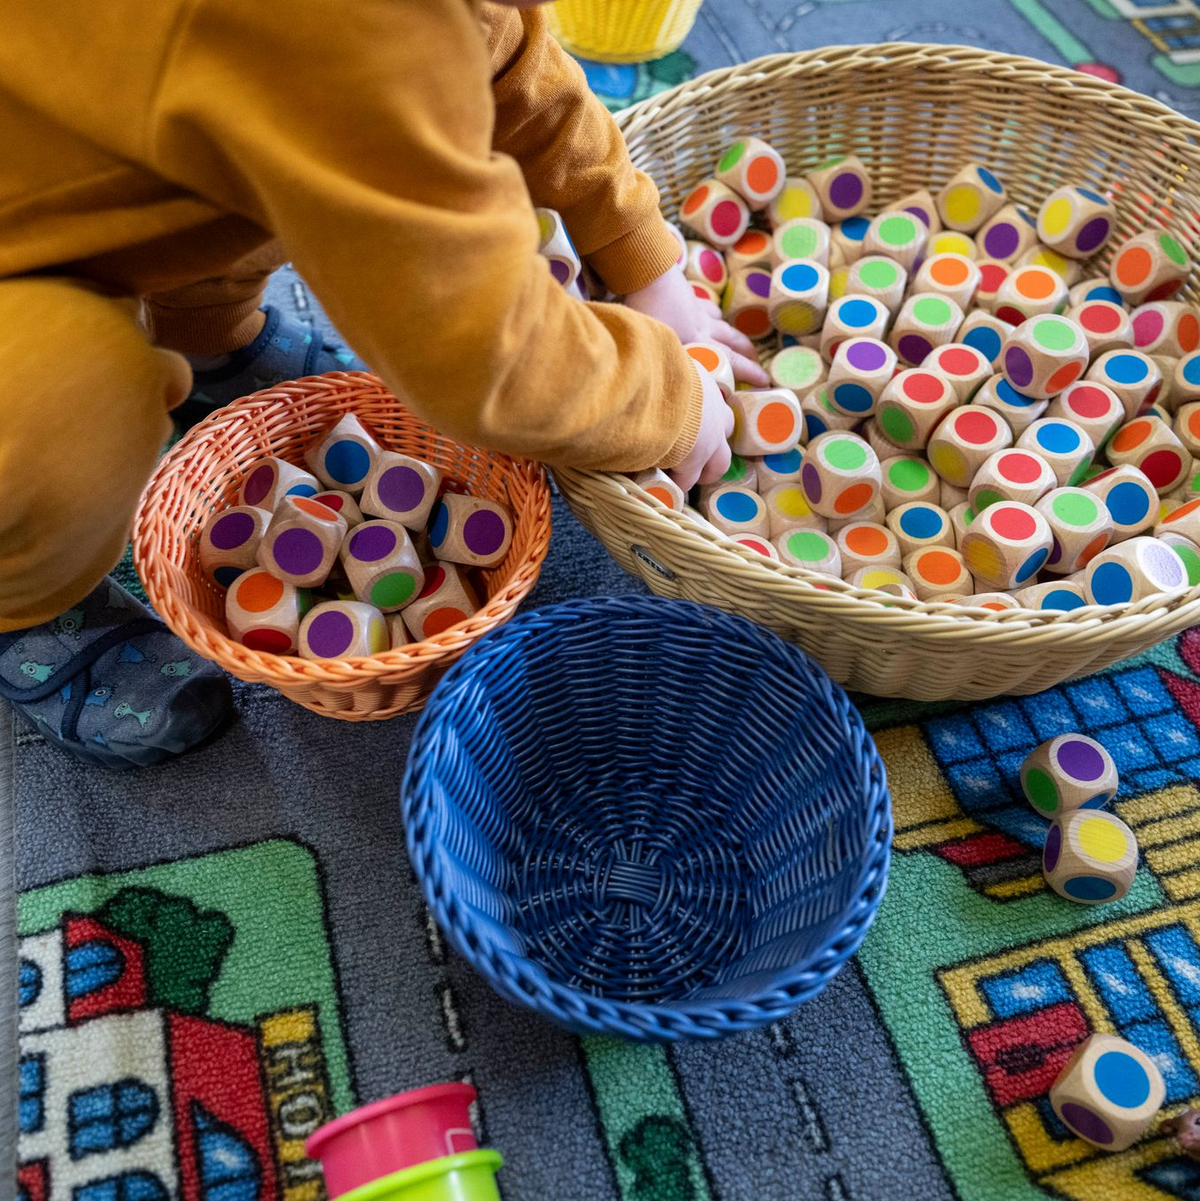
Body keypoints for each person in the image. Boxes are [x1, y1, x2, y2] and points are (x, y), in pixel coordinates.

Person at [0, 0, 764, 767]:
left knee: (292, 144)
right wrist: (676, 400)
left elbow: (514, 70)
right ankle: (21, 597)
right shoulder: (345, 31)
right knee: (81, 403)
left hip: (130, 139)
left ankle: (203, 338)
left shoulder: (383, 32)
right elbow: (481, 349)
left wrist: (648, 263)